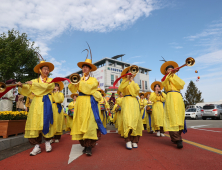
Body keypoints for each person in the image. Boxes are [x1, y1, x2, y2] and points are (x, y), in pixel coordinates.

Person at [68, 48, 106, 156]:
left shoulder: (93, 80)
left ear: (90, 69)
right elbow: (72, 89)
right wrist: (73, 82)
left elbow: (90, 88)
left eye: (86, 67)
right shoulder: (78, 79)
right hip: (80, 102)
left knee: (90, 123)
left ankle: (89, 146)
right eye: (83, 67)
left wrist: (80, 83)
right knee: (80, 122)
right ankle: (84, 145)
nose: (84, 69)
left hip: (90, 102)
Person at [18, 60, 55, 156]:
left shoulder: (51, 81)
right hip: (36, 103)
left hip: (46, 102)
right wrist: (22, 86)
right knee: (35, 122)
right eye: (45, 69)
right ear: (40, 70)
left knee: (46, 121)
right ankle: (37, 146)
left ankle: (47, 142)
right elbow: (28, 89)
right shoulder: (34, 81)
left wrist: (33, 85)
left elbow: (46, 88)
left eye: (48, 70)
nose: (46, 71)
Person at [161, 60, 185, 149]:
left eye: (172, 69)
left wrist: (173, 75)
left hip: (178, 97)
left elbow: (181, 85)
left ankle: (176, 137)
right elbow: (164, 84)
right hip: (170, 97)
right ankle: (178, 140)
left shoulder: (176, 77)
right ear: (166, 72)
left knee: (179, 117)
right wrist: (169, 76)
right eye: (168, 70)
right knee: (171, 118)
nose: (170, 70)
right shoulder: (164, 78)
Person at [118, 66, 143, 150]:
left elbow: (136, 92)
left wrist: (131, 81)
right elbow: (120, 89)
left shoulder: (135, 83)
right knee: (127, 120)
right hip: (126, 101)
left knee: (135, 120)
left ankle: (135, 141)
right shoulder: (123, 82)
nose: (130, 74)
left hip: (134, 102)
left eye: (132, 72)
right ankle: (128, 140)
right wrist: (127, 80)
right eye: (129, 72)